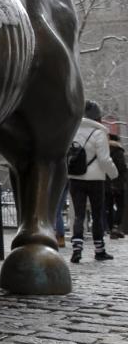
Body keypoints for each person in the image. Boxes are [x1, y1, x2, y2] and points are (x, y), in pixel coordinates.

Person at [68, 100, 119, 263]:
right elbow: (104, 160)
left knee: (79, 215)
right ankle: (99, 250)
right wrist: (114, 174)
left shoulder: (72, 130)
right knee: (97, 215)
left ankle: (77, 248)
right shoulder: (99, 133)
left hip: (75, 178)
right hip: (95, 180)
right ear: (97, 117)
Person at [107, 133, 126, 239]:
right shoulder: (118, 151)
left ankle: (111, 229)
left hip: (105, 183)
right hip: (118, 183)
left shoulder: (104, 150)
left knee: (108, 207)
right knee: (120, 206)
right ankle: (115, 227)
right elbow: (122, 167)